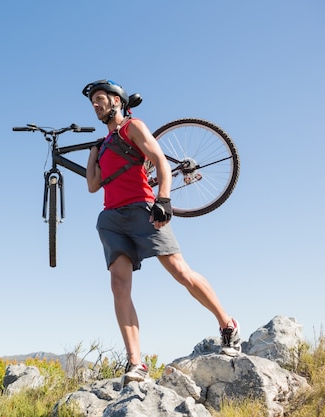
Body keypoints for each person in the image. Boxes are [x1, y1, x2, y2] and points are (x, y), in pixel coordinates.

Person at [83, 79, 241, 385]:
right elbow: (92, 185)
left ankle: (227, 323)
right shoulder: (102, 145)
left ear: (117, 101)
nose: (96, 104)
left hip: (142, 209)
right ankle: (135, 364)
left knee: (180, 272)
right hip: (111, 218)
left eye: (100, 98)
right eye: (93, 101)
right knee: (119, 287)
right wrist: (94, 151)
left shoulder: (133, 127)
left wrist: (164, 198)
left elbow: (159, 162)